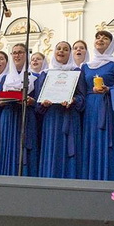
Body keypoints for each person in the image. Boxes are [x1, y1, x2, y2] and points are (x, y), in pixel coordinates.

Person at [81, 31, 114, 181]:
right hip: (90, 110)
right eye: (98, 37)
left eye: (105, 38)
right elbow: (81, 91)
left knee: (111, 147)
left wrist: (109, 90)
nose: (100, 40)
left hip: (110, 109)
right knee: (91, 146)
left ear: (111, 44)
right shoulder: (85, 66)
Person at [37, 41, 86, 178]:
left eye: (65, 49)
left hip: (69, 117)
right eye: (58, 48)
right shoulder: (46, 73)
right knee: (52, 151)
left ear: (70, 53)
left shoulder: (76, 72)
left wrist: (74, 100)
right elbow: (38, 102)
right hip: (52, 119)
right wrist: (43, 103)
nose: (61, 51)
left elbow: (82, 98)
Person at [0, 43, 39, 176]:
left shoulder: (35, 78)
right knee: (8, 149)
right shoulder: (4, 78)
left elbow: (39, 101)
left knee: (25, 148)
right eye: (14, 53)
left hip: (26, 116)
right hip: (9, 116)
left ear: (26, 55)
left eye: (20, 52)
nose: (17, 55)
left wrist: (32, 101)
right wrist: (0, 102)